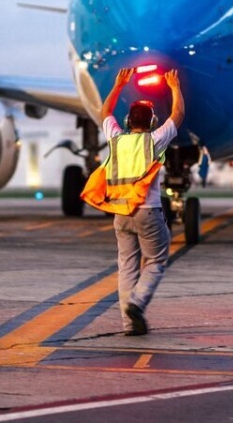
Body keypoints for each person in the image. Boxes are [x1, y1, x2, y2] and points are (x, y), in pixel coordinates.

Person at [100, 67, 185, 336]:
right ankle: (137, 303)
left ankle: (128, 325)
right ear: (150, 123)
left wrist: (118, 85)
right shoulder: (153, 141)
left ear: (127, 121)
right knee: (156, 261)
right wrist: (174, 86)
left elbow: (105, 113)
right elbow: (178, 116)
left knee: (126, 266)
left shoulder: (115, 139)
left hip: (120, 213)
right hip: (148, 212)